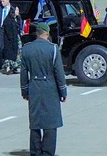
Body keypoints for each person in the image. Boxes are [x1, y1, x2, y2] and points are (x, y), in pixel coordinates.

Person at [20, 22, 67, 156]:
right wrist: (63, 91)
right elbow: (59, 72)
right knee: (50, 123)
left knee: (35, 123)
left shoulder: (27, 49)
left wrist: (25, 90)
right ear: (47, 33)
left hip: (34, 87)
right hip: (50, 88)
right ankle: (47, 152)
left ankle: (35, 152)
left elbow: (24, 74)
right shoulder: (53, 49)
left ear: (36, 33)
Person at [0, 0, 17, 71]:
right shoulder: (0, 9)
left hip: (9, 31)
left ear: (7, 1)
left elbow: (17, 19)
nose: (2, 3)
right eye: (1, 1)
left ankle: (10, 65)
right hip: (1, 29)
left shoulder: (13, 9)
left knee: (8, 48)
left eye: (3, 1)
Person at [1, 5, 22, 74]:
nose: (18, 12)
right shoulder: (8, 20)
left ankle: (15, 67)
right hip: (10, 40)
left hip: (16, 38)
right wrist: (11, 38)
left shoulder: (16, 19)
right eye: (17, 10)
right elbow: (8, 31)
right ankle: (8, 68)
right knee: (10, 54)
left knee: (18, 53)